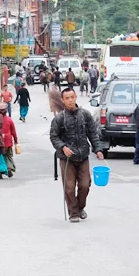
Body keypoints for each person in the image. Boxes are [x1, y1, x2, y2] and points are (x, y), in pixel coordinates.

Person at [50, 87, 103, 222]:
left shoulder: (85, 115)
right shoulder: (59, 119)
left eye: (72, 97)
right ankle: (73, 213)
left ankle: (80, 207)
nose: (70, 100)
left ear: (76, 98)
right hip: (66, 158)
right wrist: (63, 147)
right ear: (62, 100)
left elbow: (93, 133)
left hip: (83, 156)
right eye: (67, 98)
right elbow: (54, 137)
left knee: (85, 185)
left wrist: (98, 149)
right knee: (69, 187)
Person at [1, 103, 18, 177]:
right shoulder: (9, 119)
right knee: (9, 155)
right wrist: (16, 140)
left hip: (0, 141)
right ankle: (9, 168)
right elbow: (13, 131)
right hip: (8, 141)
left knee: (1, 156)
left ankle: (1, 170)